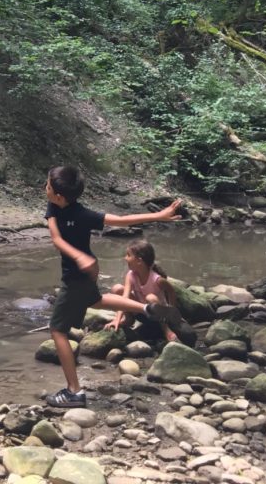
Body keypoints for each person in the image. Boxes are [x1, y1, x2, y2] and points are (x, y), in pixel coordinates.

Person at [44, 165, 183, 408]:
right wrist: (79, 256)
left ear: (59, 195)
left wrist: (158, 216)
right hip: (85, 270)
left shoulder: (81, 213)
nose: (44, 188)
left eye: (47, 186)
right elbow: (56, 238)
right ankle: (145, 309)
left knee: (57, 331)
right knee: (96, 301)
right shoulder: (53, 206)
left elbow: (119, 220)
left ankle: (74, 391)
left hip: (78, 276)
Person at [105, 239, 179, 343]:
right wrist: (117, 319)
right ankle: (128, 318)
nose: (125, 258)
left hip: (156, 316)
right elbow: (124, 298)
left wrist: (172, 310)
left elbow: (171, 291)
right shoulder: (131, 275)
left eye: (128, 255)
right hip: (141, 311)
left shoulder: (157, 280)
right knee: (117, 289)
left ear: (139, 261)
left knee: (151, 297)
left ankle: (166, 329)